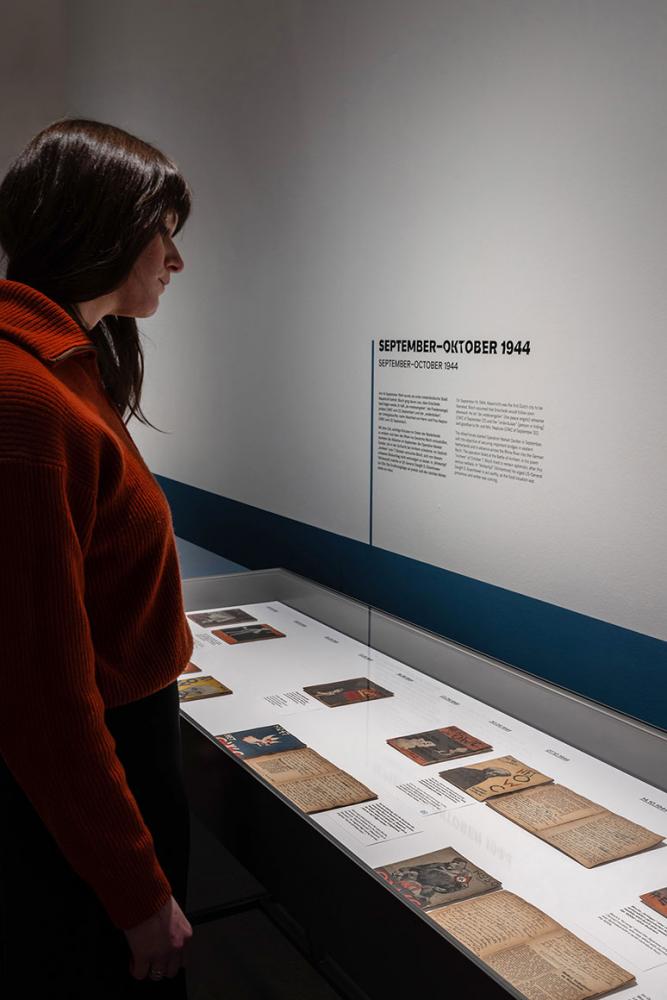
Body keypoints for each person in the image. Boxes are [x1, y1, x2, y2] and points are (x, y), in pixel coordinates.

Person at [0, 119, 195, 997]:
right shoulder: (27, 399)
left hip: (118, 750)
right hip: (87, 787)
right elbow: (40, 691)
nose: (175, 262)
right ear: (107, 228)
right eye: (167, 234)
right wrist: (135, 888)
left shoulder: (68, 368)